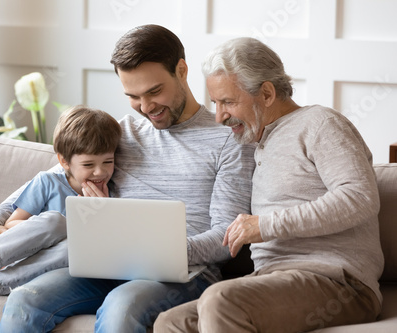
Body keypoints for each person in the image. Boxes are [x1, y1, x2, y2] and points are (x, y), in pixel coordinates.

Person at [0, 25, 256, 333]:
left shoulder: (227, 141)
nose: (146, 107)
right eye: (133, 96)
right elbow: (57, 174)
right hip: (106, 263)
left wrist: (156, 251)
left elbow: (226, 236)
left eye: (154, 91)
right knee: (25, 298)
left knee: (121, 307)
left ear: (181, 70)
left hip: (187, 272)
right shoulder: (122, 133)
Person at [154, 37, 384, 333]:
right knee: (170, 321)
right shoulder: (256, 141)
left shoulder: (320, 123)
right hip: (270, 279)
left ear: (266, 93)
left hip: (339, 281)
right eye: (215, 103)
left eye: (228, 102)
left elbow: (360, 197)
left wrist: (265, 225)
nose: (220, 115)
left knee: (220, 299)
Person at [0, 105, 122, 298]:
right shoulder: (47, 182)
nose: (100, 172)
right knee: (55, 221)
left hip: (56, 264)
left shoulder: (110, 193)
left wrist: (102, 212)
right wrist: (63, 226)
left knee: (75, 245)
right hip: (22, 253)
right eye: (88, 164)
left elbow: (102, 245)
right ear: (64, 162)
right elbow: (11, 223)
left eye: (108, 161)